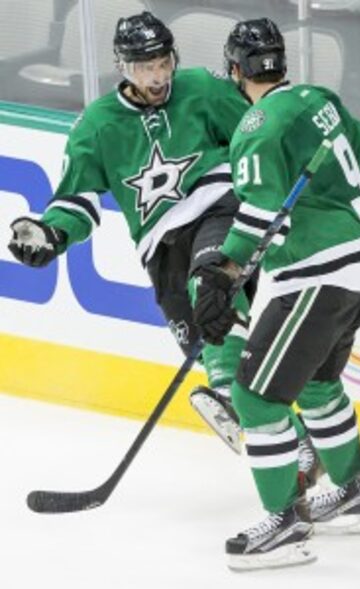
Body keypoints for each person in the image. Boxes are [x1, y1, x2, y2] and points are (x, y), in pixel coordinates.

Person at [6, 10, 320, 475]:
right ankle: (298, 448)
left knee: (209, 283)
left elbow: (259, 134)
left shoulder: (203, 88)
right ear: (123, 68)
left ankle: (224, 390)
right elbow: (77, 198)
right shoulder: (96, 125)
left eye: (163, 62)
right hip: (161, 245)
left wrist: (290, 184)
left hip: (219, 207)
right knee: (203, 333)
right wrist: (52, 234)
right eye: (144, 67)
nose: (158, 76)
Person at [192, 18, 360, 570]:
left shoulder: (255, 125)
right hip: (359, 265)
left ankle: (285, 525)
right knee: (319, 383)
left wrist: (220, 276)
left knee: (254, 395)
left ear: (234, 70)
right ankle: (357, 491)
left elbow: (257, 216)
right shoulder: (319, 100)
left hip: (317, 270)